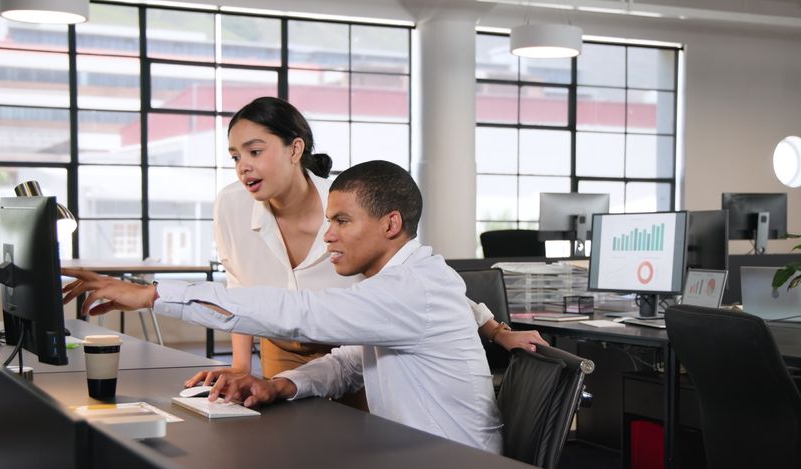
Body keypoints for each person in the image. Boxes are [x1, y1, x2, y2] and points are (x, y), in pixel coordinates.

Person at [62, 160, 503, 453]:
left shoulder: (410, 289)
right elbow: (350, 361)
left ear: (391, 224)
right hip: (419, 462)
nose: (328, 235)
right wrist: (282, 386)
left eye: (343, 221)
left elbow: (298, 313)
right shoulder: (400, 284)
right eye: (330, 220)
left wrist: (154, 294)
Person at [191, 97, 542, 399]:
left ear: (295, 149)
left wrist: (497, 332)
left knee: (356, 443)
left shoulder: (348, 201)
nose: (243, 167)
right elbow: (239, 286)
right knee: (291, 440)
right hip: (280, 344)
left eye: (254, 151)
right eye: (235, 156)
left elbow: (417, 281)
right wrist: (239, 365)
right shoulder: (231, 204)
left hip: (354, 345)